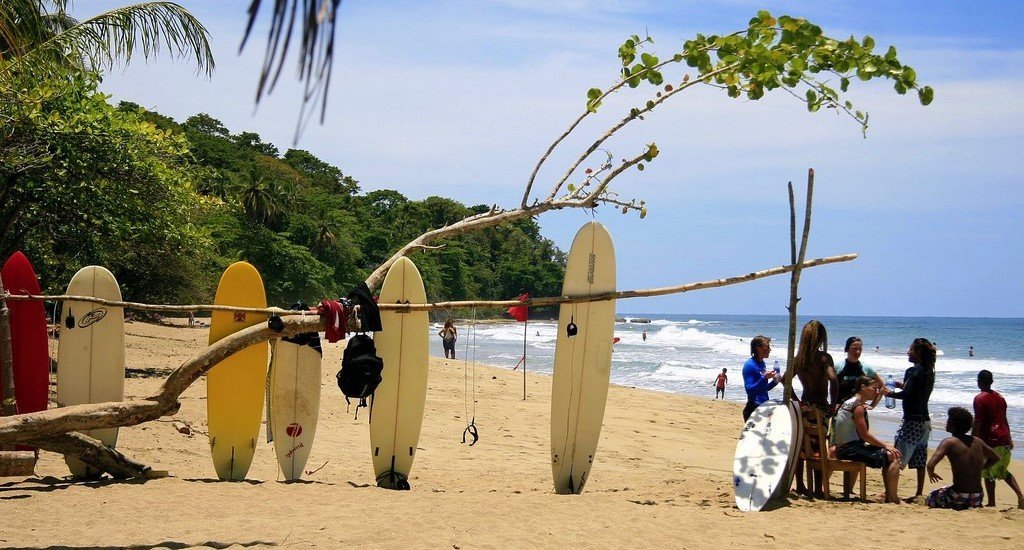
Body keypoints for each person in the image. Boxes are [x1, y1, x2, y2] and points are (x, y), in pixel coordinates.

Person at [833, 376, 902, 503]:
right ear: (863, 387)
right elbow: (865, 436)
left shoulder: (848, 402)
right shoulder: (857, 407)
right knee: (893, 455)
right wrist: (886, 445)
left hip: (843, 447)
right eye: (874, 388)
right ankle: (893, 498)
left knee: (888, 453)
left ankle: (890, 496)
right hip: (850, 449)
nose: (876, 391)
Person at [888, 337, 936, 501]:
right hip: (925, 422)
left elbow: (907, 395)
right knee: (920, 457)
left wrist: (888, 393)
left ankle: (890, 492)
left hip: (912, 421)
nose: (907, 352)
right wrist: (900, 385)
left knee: (896, 456)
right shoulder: (928, 371)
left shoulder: (913, 371)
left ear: (918, 352)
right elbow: (916, 391)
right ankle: (918, 493)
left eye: (910, 349)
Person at [925, 407, 999, 510]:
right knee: (947, 490)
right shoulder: (977, 441)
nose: (946, 422)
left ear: (954, 424)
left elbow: (930, 465)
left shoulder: (949, 442)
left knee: (930, 498)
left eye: (949, 420)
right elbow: (995, 458)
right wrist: (981, 468)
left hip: (958, 495)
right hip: (978, 497)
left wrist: (931, 472)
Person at [972, 370, 1024, 508]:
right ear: (991, 381)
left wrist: (972, 440)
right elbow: (1003, 418)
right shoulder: (1000, 398)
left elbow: (978, 422)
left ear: (979, 382)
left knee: (988, 472)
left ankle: (994, 501)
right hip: (1004, 438)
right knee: (1001, 470)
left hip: (990, 440)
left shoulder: (979, 398)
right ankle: (1016, 496)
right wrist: (1010, 438)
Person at [792, 320, 839, 413]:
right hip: (821, 406)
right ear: (821, 338)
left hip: (805, 405)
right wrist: (833, 404)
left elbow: (784, 380)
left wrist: (797, 401)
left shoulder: (798, 359)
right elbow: (833, 380)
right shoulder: (824, 358)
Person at [835, 336, 885, 405]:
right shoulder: (838, 366)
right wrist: (831, 404)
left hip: (859, 411)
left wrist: (873, 405)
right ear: (846, 349)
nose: (857, 352)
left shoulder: (866, 368)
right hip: (840, 410)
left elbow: (882, 387)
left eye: (860, 349)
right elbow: (824, 384)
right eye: (854, 349)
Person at [741, 335, 780, 421]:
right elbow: (750, 390)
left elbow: (763, 389)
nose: (770, 349)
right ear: (758, 348)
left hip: (763, 406)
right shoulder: (749, 365)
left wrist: (775, 381)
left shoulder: (762, 364)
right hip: (753, 408)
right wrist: (764, 377)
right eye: (768, 347)